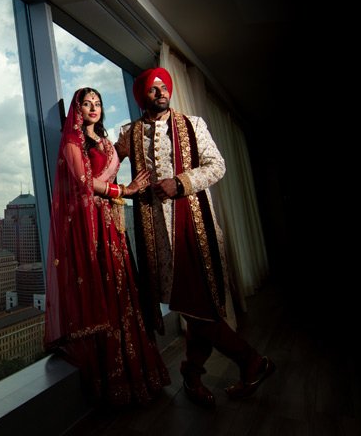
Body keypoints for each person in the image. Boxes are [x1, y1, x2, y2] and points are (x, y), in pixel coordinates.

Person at [115, 67, 274, 407]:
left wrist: (180, 182)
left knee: (196, 302)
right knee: (192, 304)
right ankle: (194, 372)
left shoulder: (194, 124)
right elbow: (107, 162)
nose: (161, 92)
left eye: (164, 87)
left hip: (194, 228)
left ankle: (248, 362)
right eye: (153, 88)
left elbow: (218, 166)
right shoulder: (129, 133)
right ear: (142, 96)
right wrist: (120, 188)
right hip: (156, 235)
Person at [44, 87, 170, 405]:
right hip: (90, 224)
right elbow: (83, 182)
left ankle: (137, 370)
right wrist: (124, 191)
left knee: (122, 286)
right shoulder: (73, 143)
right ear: (77, 110)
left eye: (97, 103)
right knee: (103, 284)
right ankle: (111, 375)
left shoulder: (105, 142)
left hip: (112, 222)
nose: (93, 108)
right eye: (87, 104)